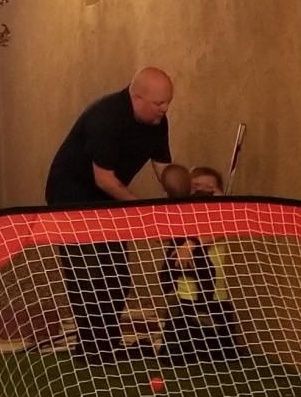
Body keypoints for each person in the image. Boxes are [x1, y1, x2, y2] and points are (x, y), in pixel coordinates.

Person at [46, 67, 174, 358]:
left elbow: (165, 171)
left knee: (117, 276)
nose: (165, 109)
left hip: (107, 198)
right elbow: (104, 179)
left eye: (168, 102)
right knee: (88, 274)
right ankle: (90, 347)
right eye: (159, 103)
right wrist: (145, 215)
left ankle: (106, 343)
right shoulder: (107, 117)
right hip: (72, 196)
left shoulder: (157, 122)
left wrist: (183, 197)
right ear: (137, 97)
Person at [158, 163, 245, 361]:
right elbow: (160, 235)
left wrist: (191, 244)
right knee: (177, 354)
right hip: (184, 293)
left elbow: (219, 230)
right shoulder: (181, 214)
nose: (202, 191)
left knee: (224, 354)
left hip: (216, 294)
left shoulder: (221, 216)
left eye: (210, 188)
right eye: (196, 186)